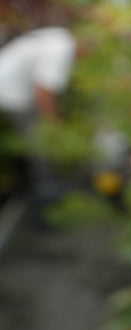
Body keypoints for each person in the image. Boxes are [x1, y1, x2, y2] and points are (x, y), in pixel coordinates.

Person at [0, 27, 76, 203]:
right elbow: (43, 92)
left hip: (6, 83)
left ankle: (32, 187)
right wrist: (55, 125)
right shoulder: (62, 49)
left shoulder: (59, 36)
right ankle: (48, 196)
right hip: (10, 94)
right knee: (40, 145)